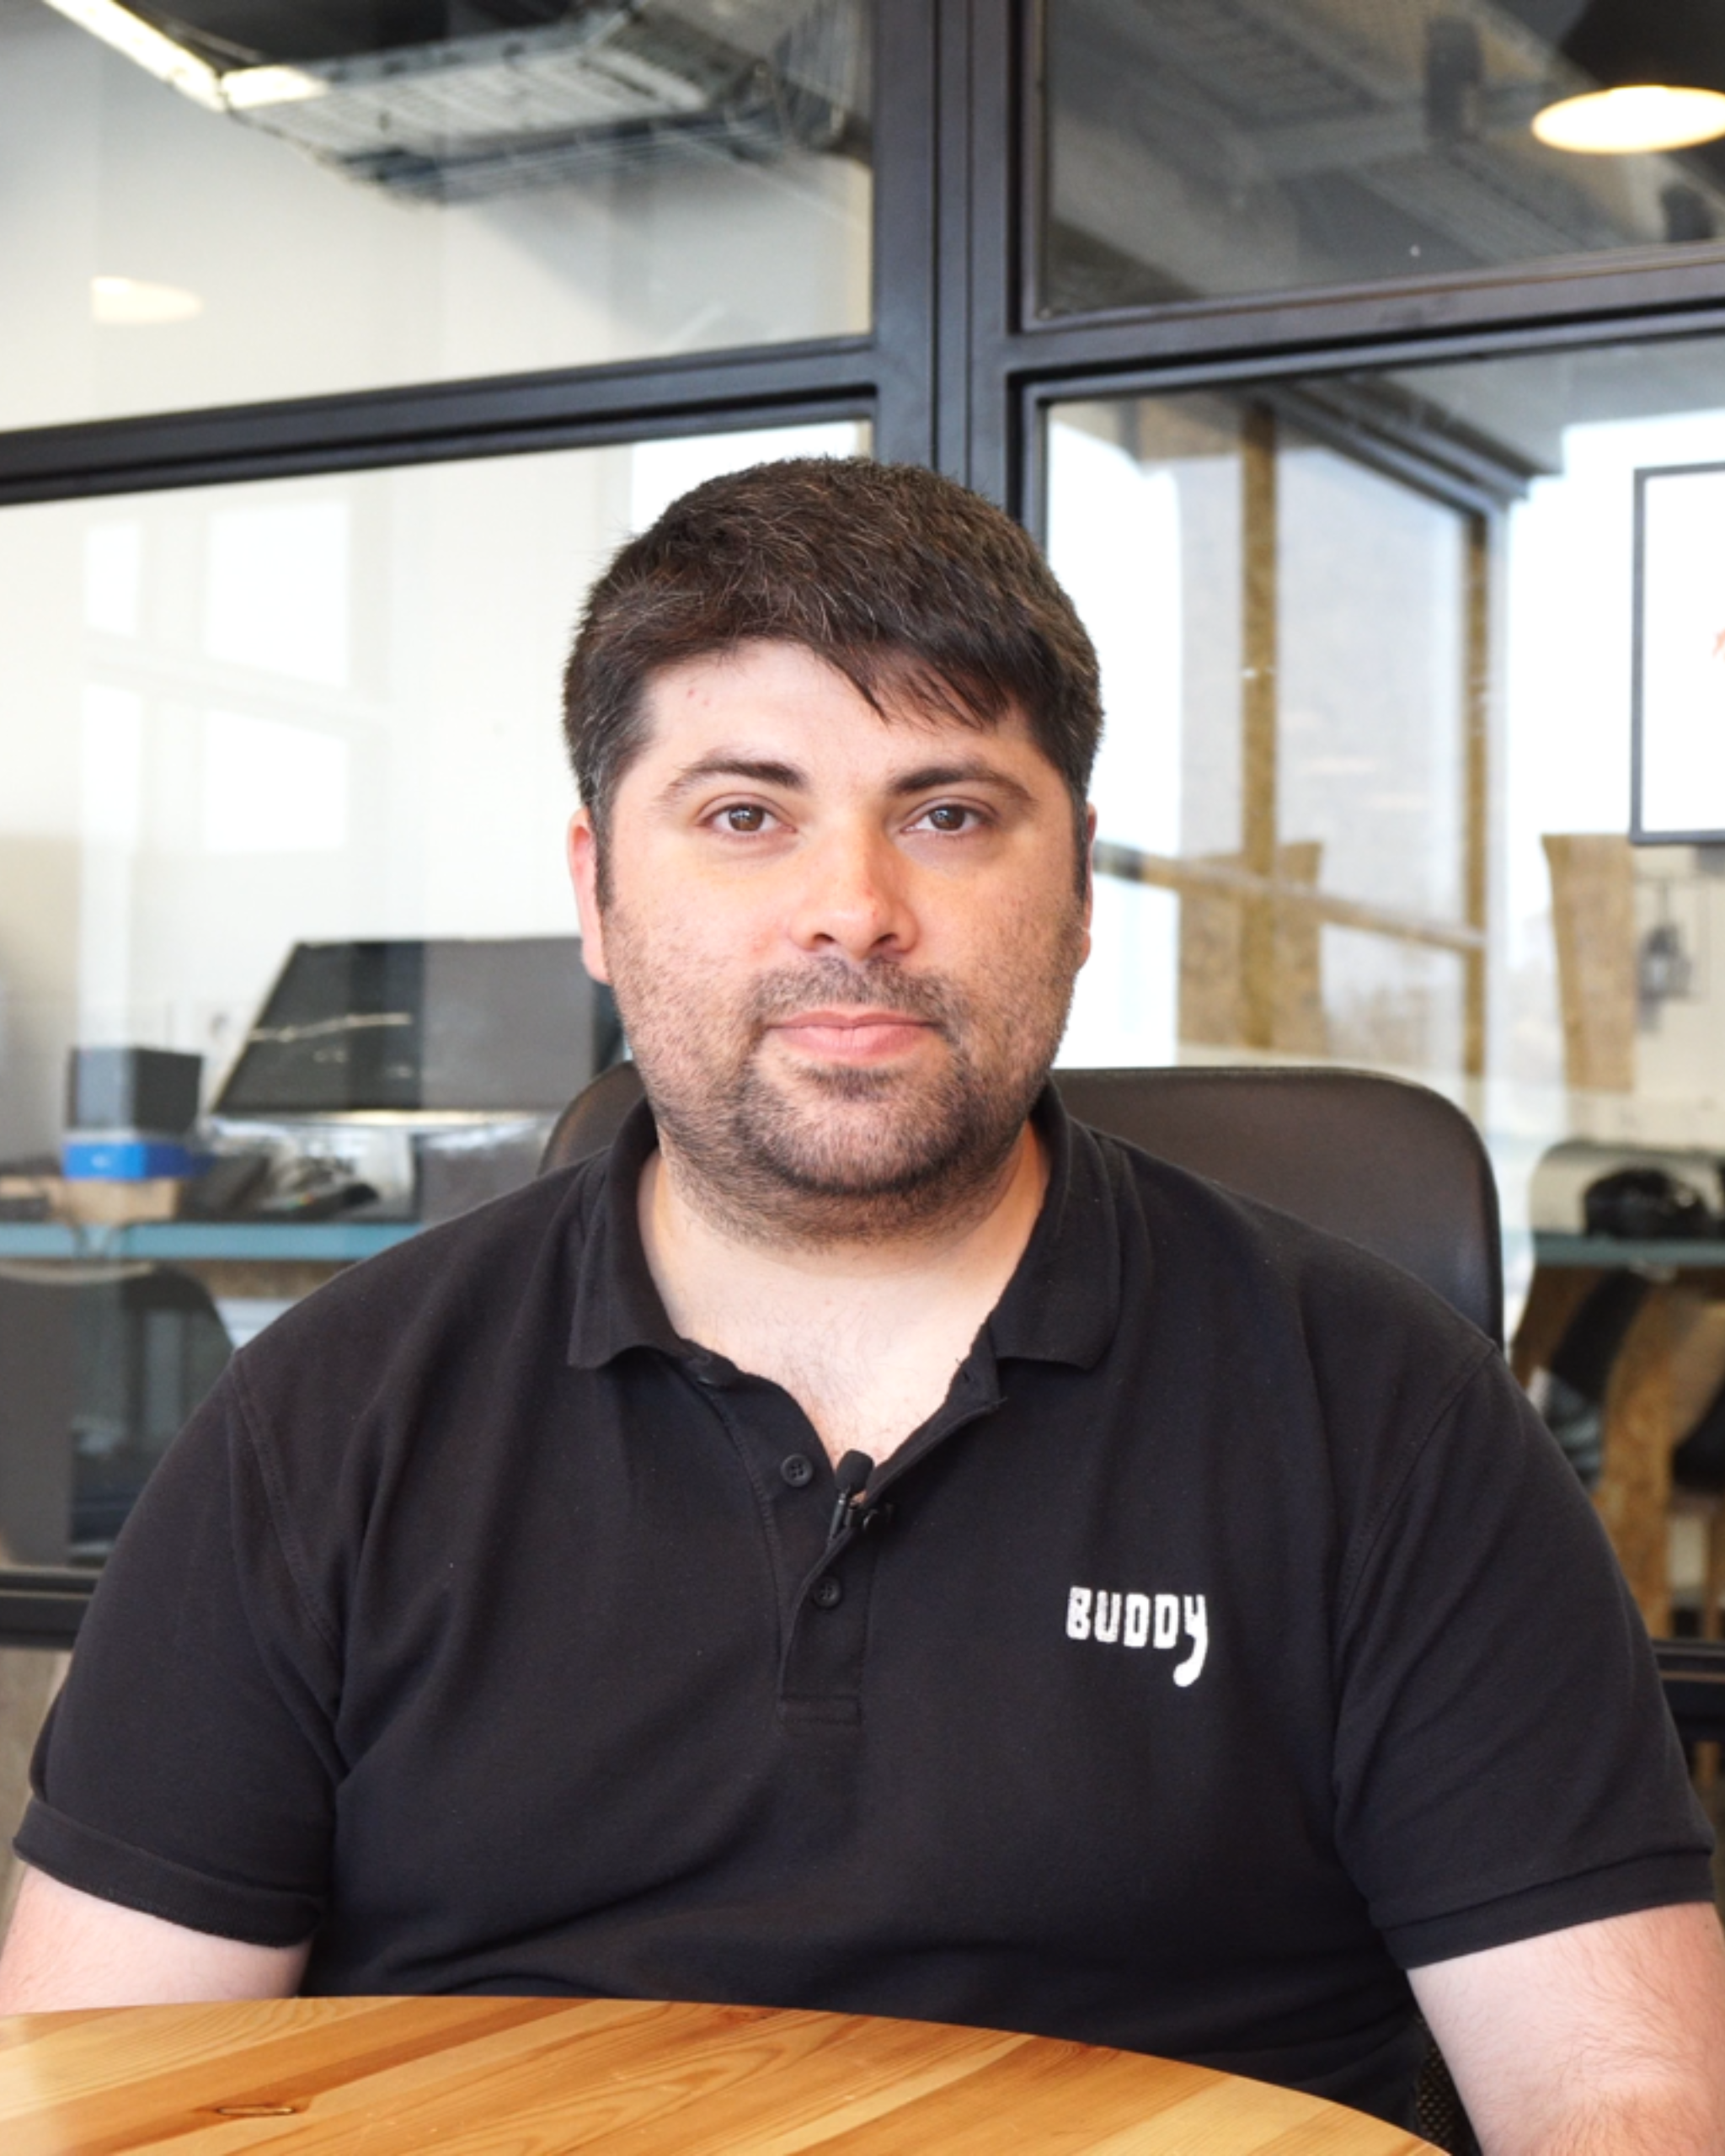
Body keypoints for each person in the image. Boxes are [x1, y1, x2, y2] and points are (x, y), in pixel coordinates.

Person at [2, 458, 1722, 2150]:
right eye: (745, 813)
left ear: (1074, 892)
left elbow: (1616, 2090)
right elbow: (90, 2079)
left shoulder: (1381, 1408)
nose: (856, 910)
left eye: (949, 812)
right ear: (597, 890)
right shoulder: (328, 1416)